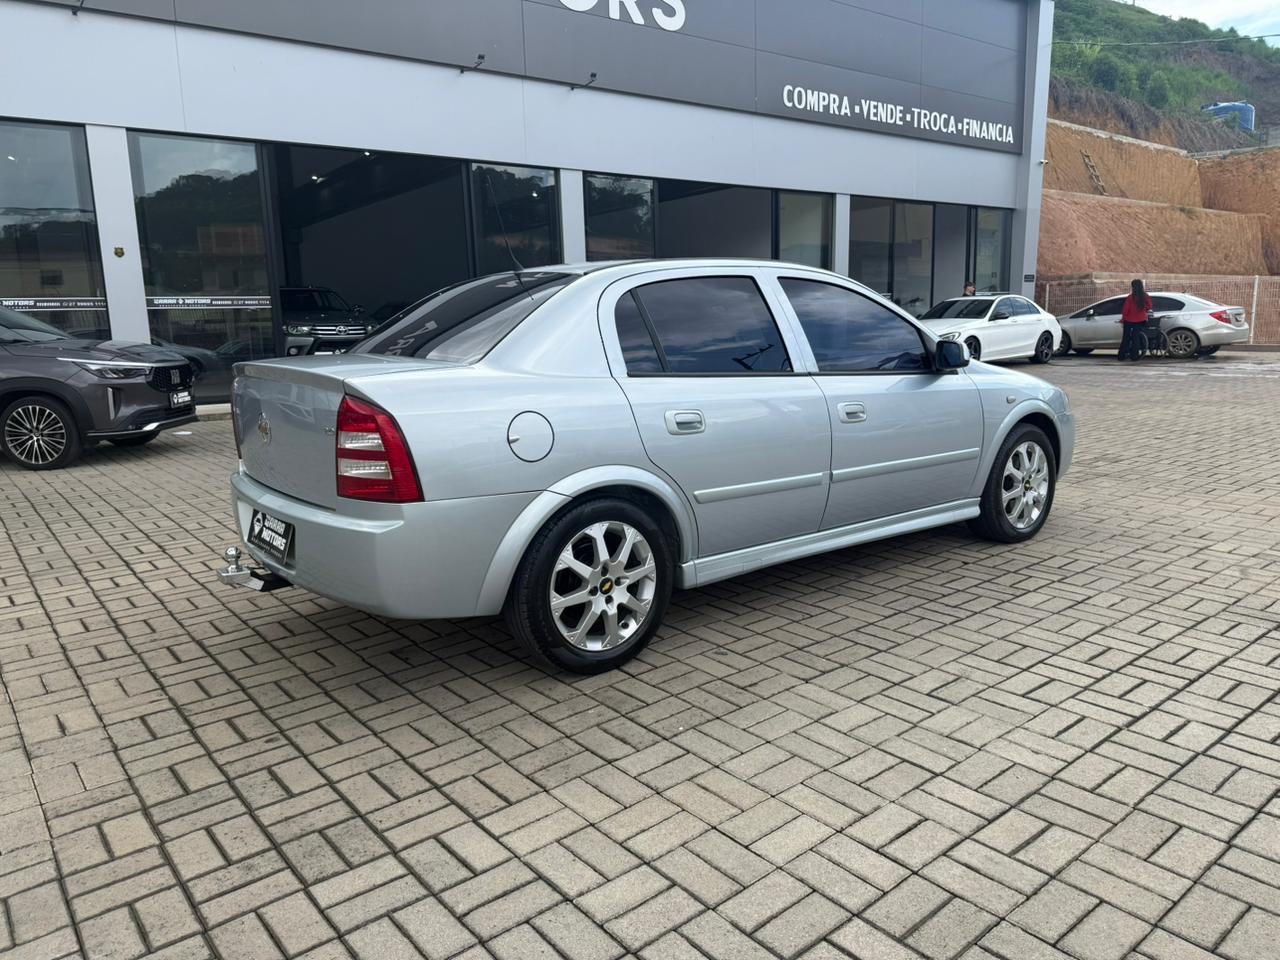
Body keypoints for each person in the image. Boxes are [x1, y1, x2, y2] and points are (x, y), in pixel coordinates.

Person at [1119, 279, 1152, 362]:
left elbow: (1125, 310)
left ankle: (1121, 356)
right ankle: (1134, 356)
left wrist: (1123, 318)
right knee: (1136, 338)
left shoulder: (1130, 297)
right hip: (1140, 320)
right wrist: (1144, 310)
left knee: (1126, 338)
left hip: (1129, 320)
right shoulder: (1145, 296)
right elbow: (1149, 306)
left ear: (1133, 287)